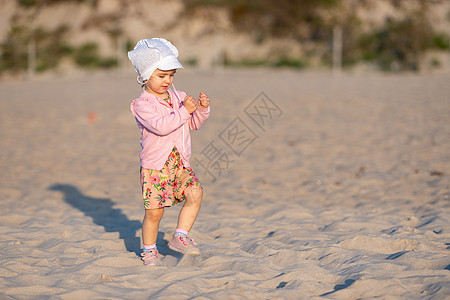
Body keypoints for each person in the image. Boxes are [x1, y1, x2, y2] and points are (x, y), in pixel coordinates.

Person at [128, 38, 210, 265]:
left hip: (179, 162)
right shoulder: (142, 104)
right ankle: (149, 249)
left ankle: (180, 236)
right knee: (155, 213)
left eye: (171, 75)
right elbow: (162, 126)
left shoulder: (179, 96)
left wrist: (201, 109)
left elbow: (193, 123)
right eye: (161, 75)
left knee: (195, 192)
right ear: (145, 76)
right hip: (156, 166)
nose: (168, 80)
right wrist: (184, 111)